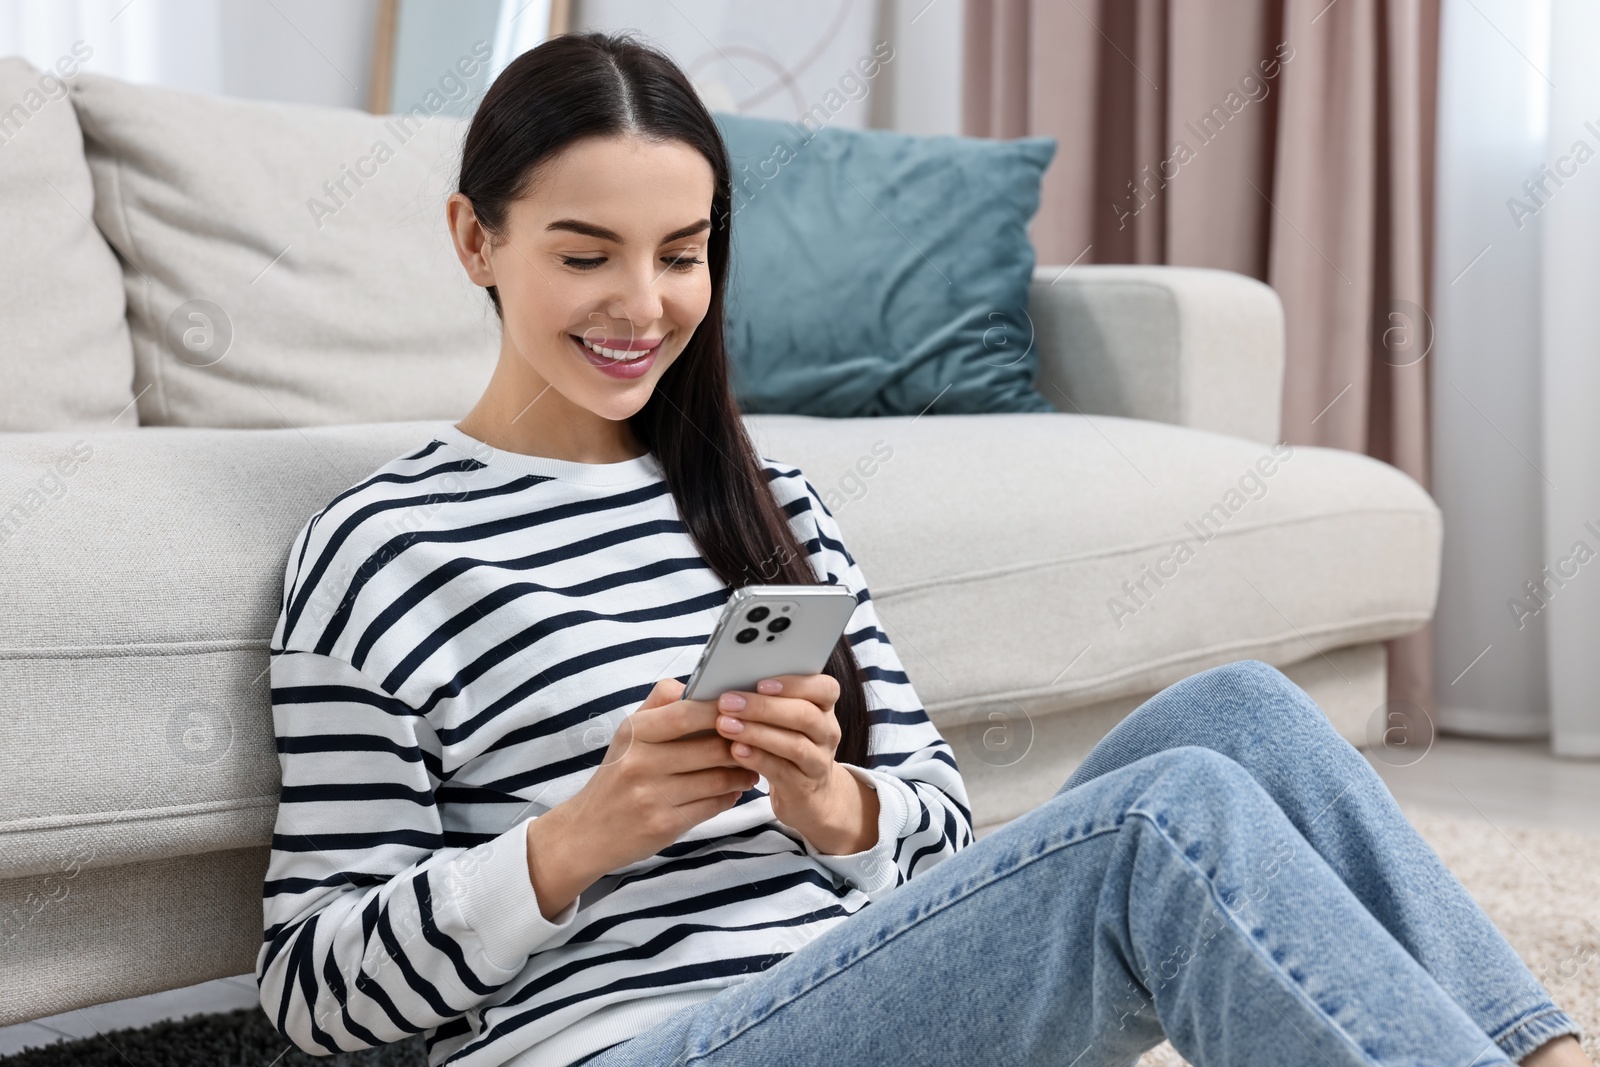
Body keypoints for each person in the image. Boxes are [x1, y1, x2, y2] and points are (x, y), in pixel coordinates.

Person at [255, 30, 1590, 1067]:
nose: (643, 305)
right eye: (586, 255)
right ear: (474, 240)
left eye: (683, 254)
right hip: (633, 1043)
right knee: (1155, 828)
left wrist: (834, 807)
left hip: (856, 993)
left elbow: (941, 828)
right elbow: (313, 996)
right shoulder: (384, 551)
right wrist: (579, 838)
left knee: (1238, 713)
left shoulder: (765, 497)